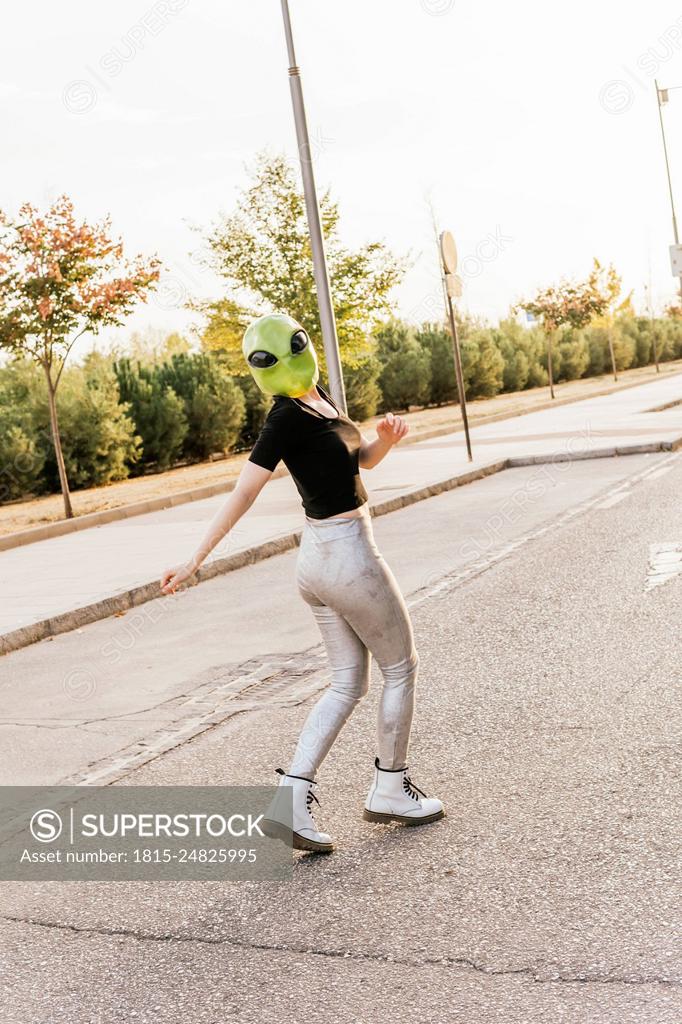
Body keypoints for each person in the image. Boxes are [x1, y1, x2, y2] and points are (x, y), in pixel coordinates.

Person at [160, 313, 445, 853]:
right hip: (346, 554)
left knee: (345, 684)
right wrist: (195, 558)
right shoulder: (284, 417)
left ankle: (290, 800)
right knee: (401, 667)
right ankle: (390, 788)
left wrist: (384, 440)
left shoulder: (321, 399)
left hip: (317, 560)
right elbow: (244, 492)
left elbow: (357, 463)